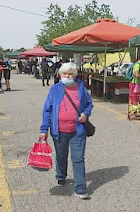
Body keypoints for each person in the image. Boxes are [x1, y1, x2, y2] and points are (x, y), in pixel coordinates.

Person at [39, 62, 93, 200]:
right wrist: (44, 129)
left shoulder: (81, 89)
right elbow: (47, 110)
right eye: (65, 74)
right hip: (59, 130)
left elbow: (89, 104)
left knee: (78, 159)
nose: (68, 76)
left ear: (75, 76)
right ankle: (61, 175)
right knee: (61, 156)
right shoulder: (55, 89)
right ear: (60, 75)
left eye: (70, 74)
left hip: (77, 130)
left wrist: (85, 114)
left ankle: (80, 189)